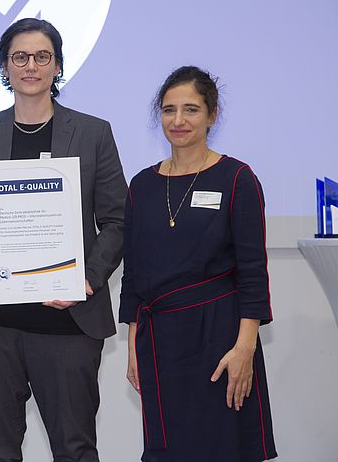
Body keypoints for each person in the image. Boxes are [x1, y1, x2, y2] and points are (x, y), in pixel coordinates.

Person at [0, 18, 127, 461]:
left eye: (42, 57)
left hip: (68, 323)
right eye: (19, 57)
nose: (30, 66)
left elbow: (119, 221)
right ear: (4, 66)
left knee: (75, 449)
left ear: (57, 65)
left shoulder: (93, 132)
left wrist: (86, 276)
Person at [119, 66, 277, 461]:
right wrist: (133, 347)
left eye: (190, 109)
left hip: (220, 338)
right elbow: (134, 274)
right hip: (159, 342)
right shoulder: (142, 184)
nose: (178, 121)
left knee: (223, 447)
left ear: (212, 115)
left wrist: (244, 350)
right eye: (169, 110)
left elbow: (253, 274)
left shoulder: (237, 178)